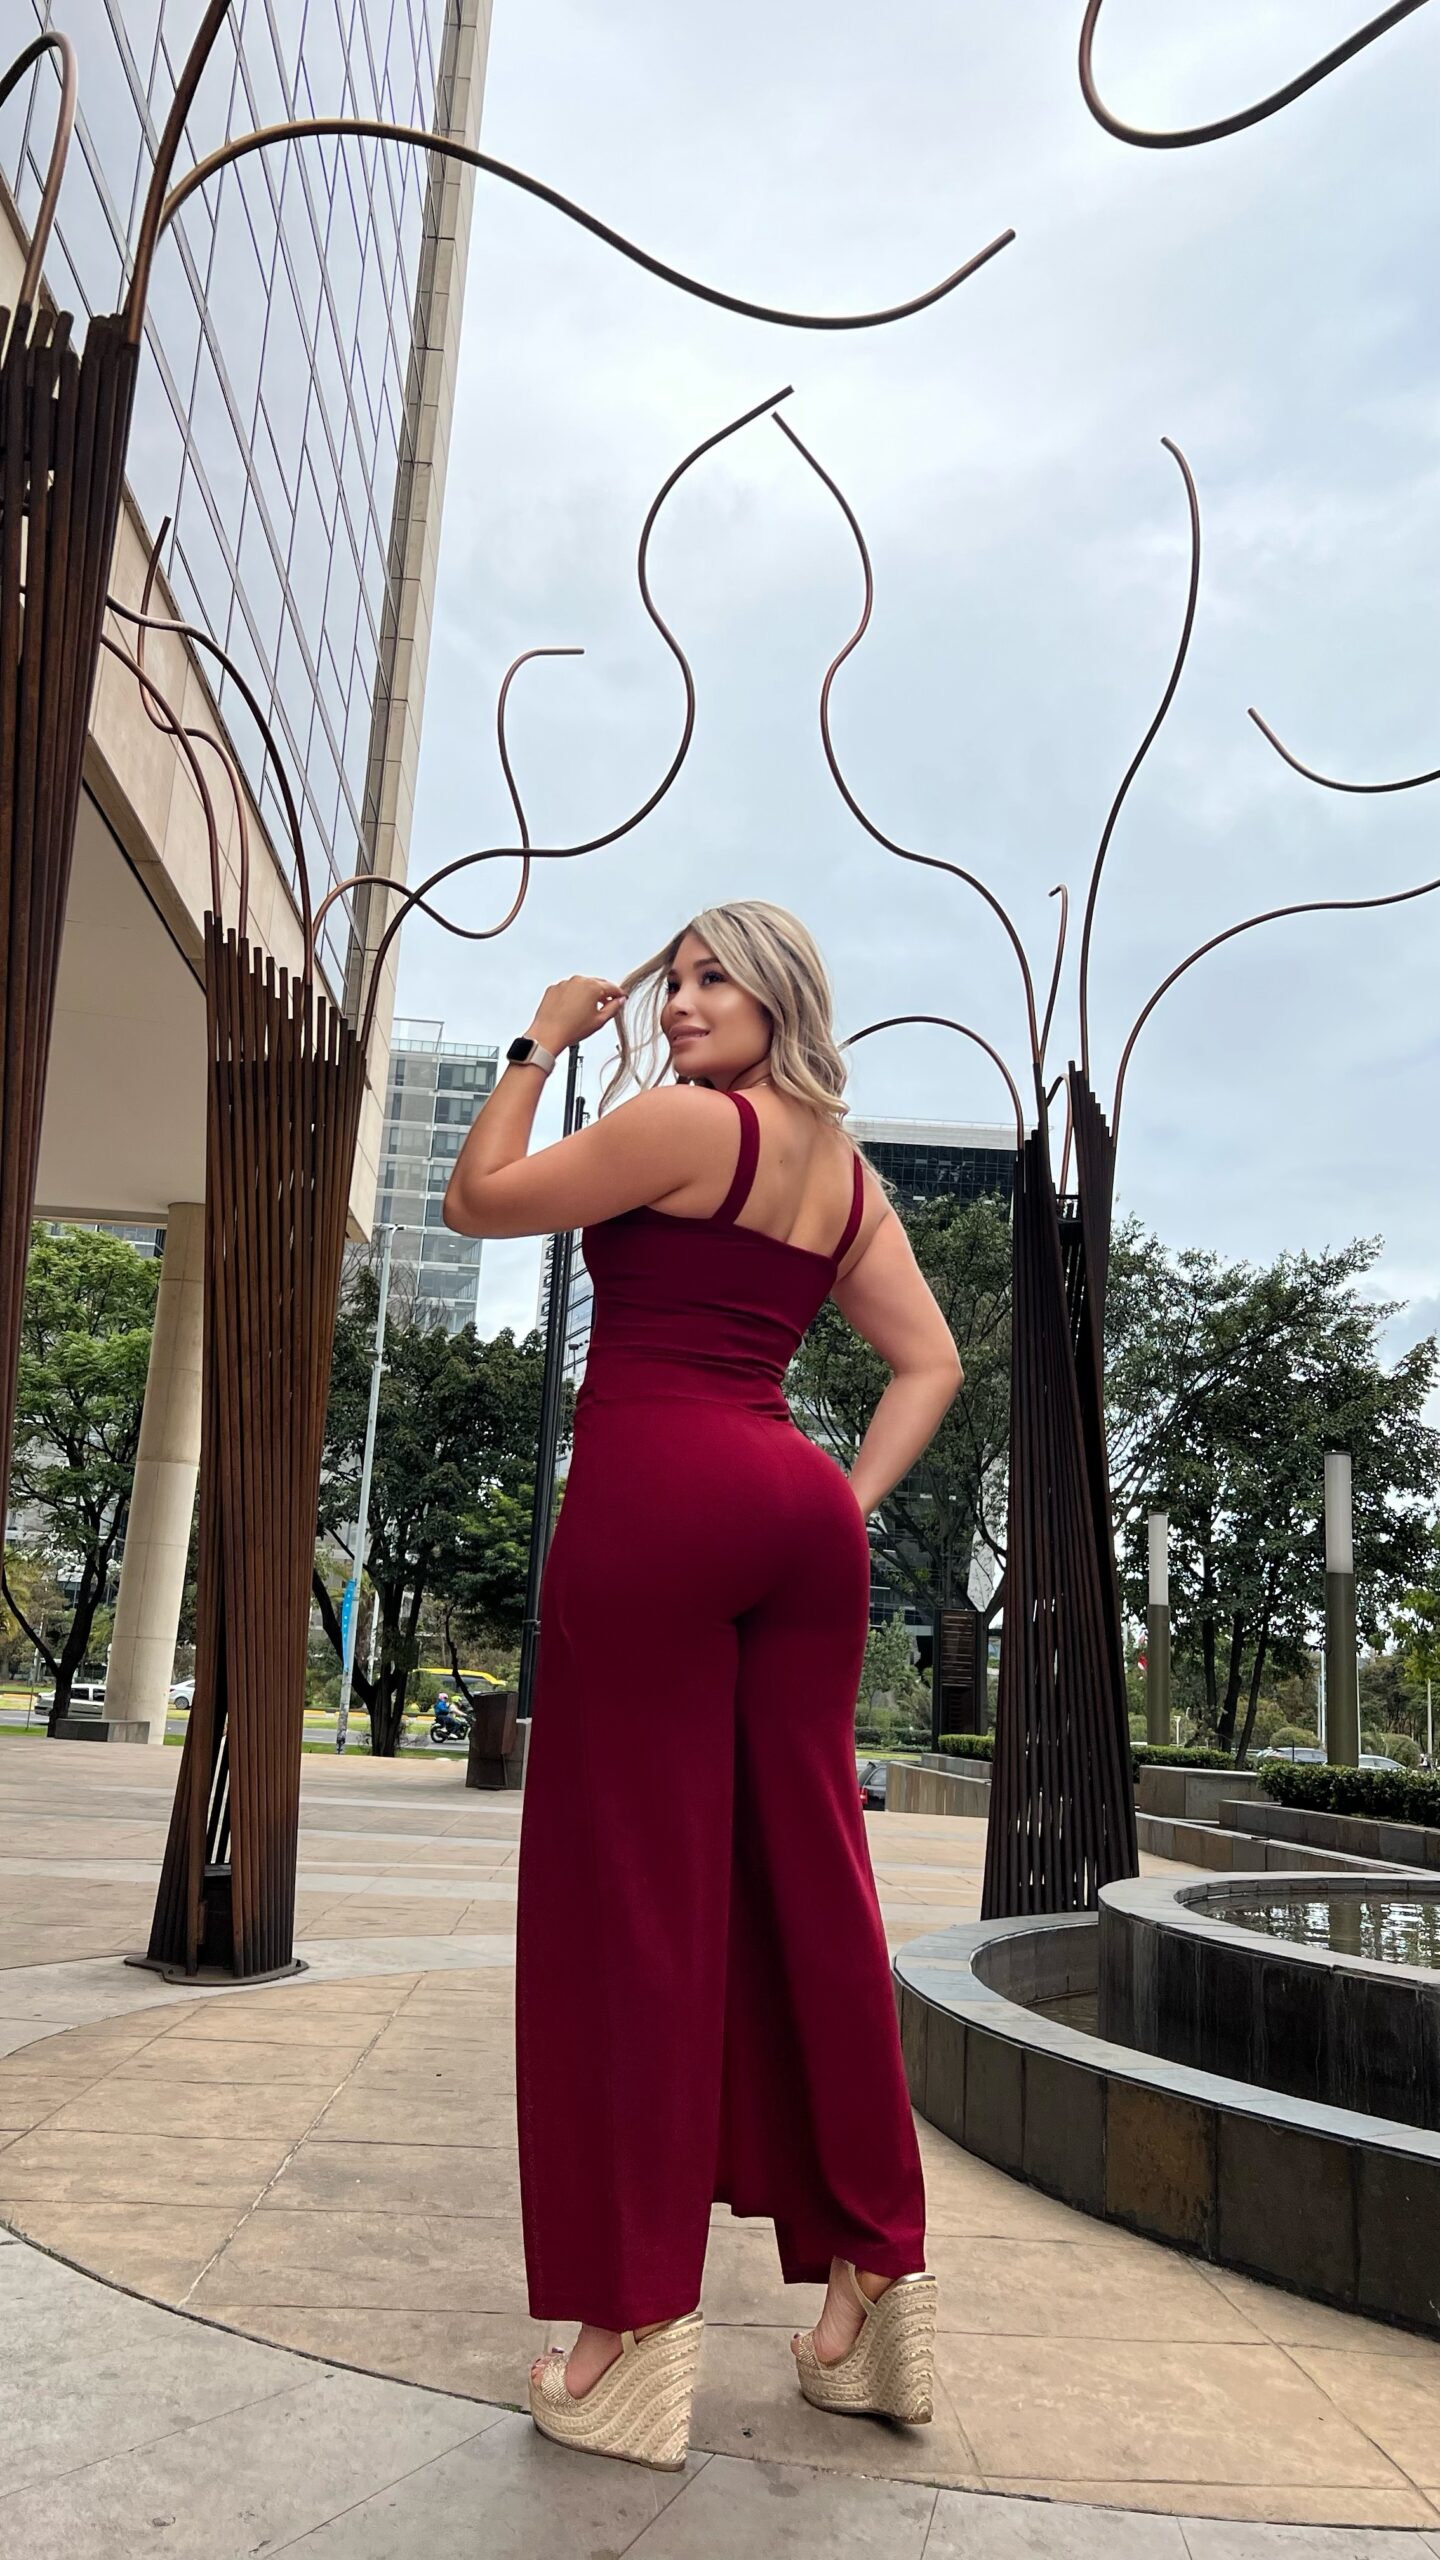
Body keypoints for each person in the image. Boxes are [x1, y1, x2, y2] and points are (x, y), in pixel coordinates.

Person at [444, 900, 963, 2471]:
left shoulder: (686, 1127)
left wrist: (538, 1043)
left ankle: (627, 2336)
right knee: (819, 1889)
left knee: (632, 1904)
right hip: (795, 1508)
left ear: (780, 993)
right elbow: (931, 1363)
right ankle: (873, 2293)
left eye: (712, 976)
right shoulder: (847, 1177)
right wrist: (836, 1505)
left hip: (659, 1493)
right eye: (671, 979)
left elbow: (477, 1200)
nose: (679, 1002)